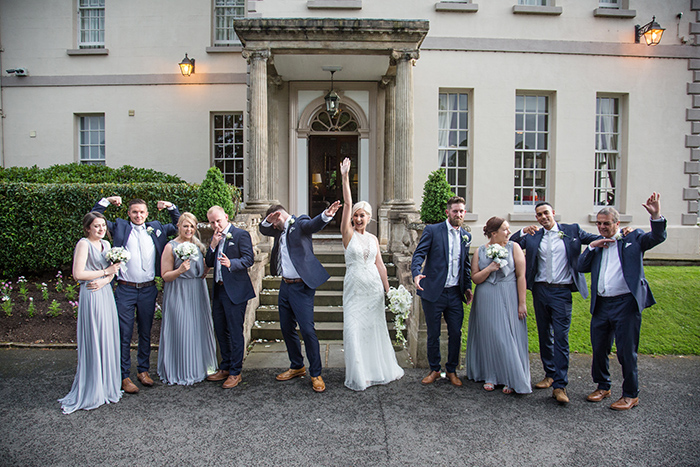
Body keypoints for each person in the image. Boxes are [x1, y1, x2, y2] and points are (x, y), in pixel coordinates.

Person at [578, 192, 666, 411]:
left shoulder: (633, 238)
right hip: (602, 305)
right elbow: (581, 266)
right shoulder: (598, 244)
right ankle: (603, 385)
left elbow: (656, 238)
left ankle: (630, 394)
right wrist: (591, 247)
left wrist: (656, 216)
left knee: (626, 351)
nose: (602, 227)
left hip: (625, 304)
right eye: (599, 223)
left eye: (606, 223)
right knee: (599, 348)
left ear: (617, 223)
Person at [510, 202, 598, 404]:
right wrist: (523, 231)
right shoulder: (534, 236)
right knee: (544, 335)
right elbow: (510, 243)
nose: (543, 217)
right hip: (540, 290)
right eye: (539, 215)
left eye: (546, 213)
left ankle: (560, 385)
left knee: (561, 337)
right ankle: (549, 374)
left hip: (562, 292)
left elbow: (596, 239)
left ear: (554, 213)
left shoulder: (571, 230)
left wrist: (621, 233)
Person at [91, 196, 180, 394]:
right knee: (124, 333)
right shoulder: (120, 227)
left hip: (148, 289)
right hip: (125, 288)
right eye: (134, 212)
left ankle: (143, 370)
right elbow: (95, 218)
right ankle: (124, 375)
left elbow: (179, 225)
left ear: (147, 214)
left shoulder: (156, 228)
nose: (138, 215)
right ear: (128, 214)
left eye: (142, 212)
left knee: (146, 332)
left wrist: (170, 206)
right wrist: (106, 201)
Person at [259, 200, 341, 393]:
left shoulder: (300, 223)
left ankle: (316, 373)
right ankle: (297, 366)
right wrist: (266, 221)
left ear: (278, 216)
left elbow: (312, 225)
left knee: (307, 330)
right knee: (287, 328)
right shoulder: (277, 229)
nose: (273, 227)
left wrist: (326, 215)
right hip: (285, 285)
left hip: (301, 286)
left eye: (273, 222)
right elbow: (264, 231)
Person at [339, 158, 404, 391]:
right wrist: (345, 177)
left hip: (374, 289)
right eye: (355, 215)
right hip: (355, 288)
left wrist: (389, 291)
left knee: (373, 328)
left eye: (362, 215)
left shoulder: (374, 239)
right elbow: (347, 203)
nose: (358, 219)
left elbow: (381, 266)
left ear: (369, 218)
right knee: (354, 328)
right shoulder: (348, 235)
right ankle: (359, 373)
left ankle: (375, 369)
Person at [59, 212, 122, 413]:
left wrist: (105, 279)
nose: (101, 229)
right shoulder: (84, 244)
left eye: (103, 225)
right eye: (96, 226)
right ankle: (93, 387)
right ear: (88, 228)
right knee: (95, 336)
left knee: (107, 336)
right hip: (91, 295)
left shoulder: (107, 246)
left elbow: (113, 272)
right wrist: (105, 273)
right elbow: (78, 274)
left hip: (105, 293)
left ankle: (107, 385)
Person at [411, 196, 472, 386]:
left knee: (455, 332)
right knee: (433, 333)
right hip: (433, 293)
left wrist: (468, 287)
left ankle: (452, 370)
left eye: (461, 211)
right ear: (448, 212)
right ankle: (435, 369)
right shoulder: (433, 230)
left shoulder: (466, 236)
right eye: (455, 211)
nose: (459, 214)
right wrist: (416, 273)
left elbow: (466, 264)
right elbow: (419, 253)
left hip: (455, 293)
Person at [466, 217, 531, 395]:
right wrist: (490, 268)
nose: (508, 232)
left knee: (507, 336)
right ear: (494, 233)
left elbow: (521, 276)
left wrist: (522, 303)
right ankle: (490, 375)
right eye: (505, 229)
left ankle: (510, 377)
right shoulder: (480, 250)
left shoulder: (514, 247)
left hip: (509, 294)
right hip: (486, 295)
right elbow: (475, 278)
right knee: (489, 335)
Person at [157, 212, 217, 386]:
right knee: (181, 327)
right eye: (185, 226)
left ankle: (200, 368)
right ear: (178, 227)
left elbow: (202, 270)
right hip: (178, 290)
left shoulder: (198, 245)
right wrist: (180, 271)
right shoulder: (170, 246)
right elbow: (165, 275)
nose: (189, 229)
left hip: (197, 291)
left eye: (192, 226)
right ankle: (180, 369)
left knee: (197, 327)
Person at [204, 206, 256, 389]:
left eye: (218, 220)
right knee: (220, 329)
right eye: (212, 222)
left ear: (226, 217)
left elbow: (249, 259)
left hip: (235, 290)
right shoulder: (215, 238)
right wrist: (212, 245)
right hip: (218, 290)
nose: (216, 224)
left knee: (235, 331)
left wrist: (231, 263)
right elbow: (209, 262)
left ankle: (236, 372)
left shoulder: (241, 235)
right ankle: (225, 366)